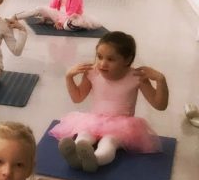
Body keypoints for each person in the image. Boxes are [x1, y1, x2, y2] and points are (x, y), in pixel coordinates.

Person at [51, 31, 168, 171]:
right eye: (99, 57)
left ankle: (96, 159)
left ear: (127, 60)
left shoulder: (137, 77)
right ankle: (76, 155)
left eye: (111, 59)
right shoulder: (92, 73)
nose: (102, 64)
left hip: (122, 125)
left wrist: (161, 80)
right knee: (84, 135)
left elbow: (159, 105)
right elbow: (78, 97)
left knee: (109, 142)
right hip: (94, 120)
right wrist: (69, 77)